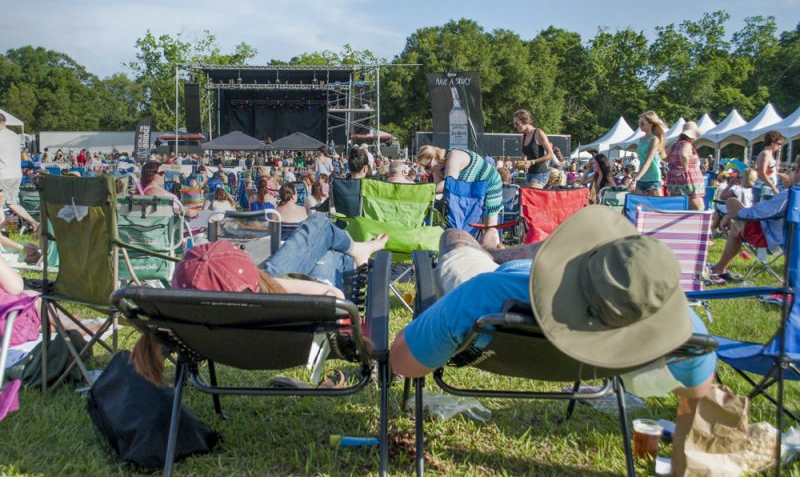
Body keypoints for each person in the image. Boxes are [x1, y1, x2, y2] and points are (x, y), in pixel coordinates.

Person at [389, 207, 716, 407]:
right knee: (500, 257)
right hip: (584, 353)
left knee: (457, 239)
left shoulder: (486, 293)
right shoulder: (688, 337)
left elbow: (404, 362)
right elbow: (697, 397)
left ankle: (493, 252)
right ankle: (497, 252)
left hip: (502, 296)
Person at [131, 214, 389, 384]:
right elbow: (334, 297)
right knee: (323, 231)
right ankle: (359, 251)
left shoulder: (181, 319)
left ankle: (357, 252)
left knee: (328, 251)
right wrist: (282, 283)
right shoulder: (262, 294)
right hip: (295, 314)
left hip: (232, 334)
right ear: (251, 279)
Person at [709, 155, 800, 283]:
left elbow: (759, 213)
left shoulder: (791, 194)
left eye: (795, 169)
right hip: (793, 243)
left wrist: (737, 213)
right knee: (737, 224)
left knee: (732, 203)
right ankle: (720, 268)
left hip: (774, 240)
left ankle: (719, 268)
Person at [416, 145, 503, 249]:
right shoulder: (437, 169)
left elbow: (449, 185)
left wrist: (420, 191)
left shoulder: (454, 156)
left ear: (435, 158)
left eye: (427, 167)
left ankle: (496, 255)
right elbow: (437, 193)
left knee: (490, 226)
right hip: (473, 188)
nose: (428, 171)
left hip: (491, 182)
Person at [0, 113, 38, 232]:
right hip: (16, 174)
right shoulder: (14, 135)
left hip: (3, 174)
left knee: (5, 204)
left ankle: (2, 231)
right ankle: (33, 222)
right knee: (10, 203)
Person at [666, 121, 706, 210]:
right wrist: (685, 168)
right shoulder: (687, 144)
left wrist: (675, 165)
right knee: (699, 208)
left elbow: (664, 157)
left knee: (677, 207)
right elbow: (683, 154)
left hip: (674, 178)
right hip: (689, 180)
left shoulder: (674, 144)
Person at [514, 109, 554, 187]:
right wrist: (521, 163)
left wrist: (532, 162)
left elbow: (550, 155)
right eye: (515, 124)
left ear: (525, 120)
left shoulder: (538, 133)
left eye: (517, 123)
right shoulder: (523, 137)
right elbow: (525, 156)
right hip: (529, 174)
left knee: (532, 195)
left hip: (540, 174)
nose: (516, 126)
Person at [632, 110, 667, 196]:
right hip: (642, 178)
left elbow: (648, 162)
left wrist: (635, 179)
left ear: (651, 123)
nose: (640, 126)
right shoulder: (640, 140)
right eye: (639, 123)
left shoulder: (655, 140)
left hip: (653, 178)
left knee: (656, 207)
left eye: (642, 123)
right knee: (638, 205)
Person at [753, 131, 784, 202]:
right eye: (779, 143)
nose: (780, 146)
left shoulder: (769, 154)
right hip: (762, 189)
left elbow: (767, 172)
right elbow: (761, 174)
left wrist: (778, 174)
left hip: (767, 188)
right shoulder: (765, 154)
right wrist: (773, 188)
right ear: (772, 142)